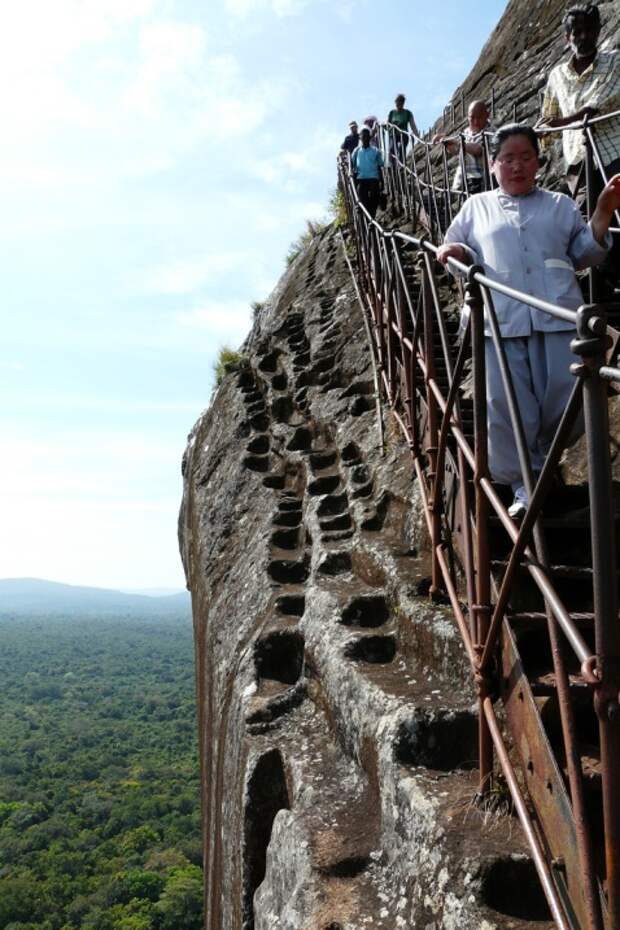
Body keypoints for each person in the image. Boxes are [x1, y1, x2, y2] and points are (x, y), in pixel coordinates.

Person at [436, 124, 620, 521]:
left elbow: (585, 253)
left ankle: (544, 464)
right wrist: (456, 251)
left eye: (525, 158)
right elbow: (456, 248)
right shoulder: (476, 206)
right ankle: (524, 486)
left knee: (565, 400)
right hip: (499, 322)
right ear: (494, 164)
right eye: (507, 158)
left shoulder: (559, 205)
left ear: (538, 161)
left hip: (556, 315)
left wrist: (603, 212)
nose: (516, 166)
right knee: (505, 407)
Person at [537, 3, 620, 289]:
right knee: (587, 215)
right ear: (567, 38)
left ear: (598, 31)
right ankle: (601, 281)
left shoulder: (614, 62)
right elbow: (548, 115)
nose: (583, 36)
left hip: (612, 150)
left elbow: (595, 106)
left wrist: (558, 123)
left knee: (617, 209)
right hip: (577, 156)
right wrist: (538, 139)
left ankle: (611, 278)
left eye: (588, 29)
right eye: (576, 31)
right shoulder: (556, 75)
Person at [433, 100, 495, 195]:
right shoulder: (466, 132)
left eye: (479, 117)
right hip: (464, 181)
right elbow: (456, 151)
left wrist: (455, 142)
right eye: (472, 117)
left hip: (483, 182)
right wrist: (445, 142)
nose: (475, 121)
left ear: (487, 115)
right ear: (467, 117)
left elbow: (478, 149)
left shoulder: (491, 132)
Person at [351, 125, 385, 219]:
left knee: (374, 198)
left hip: (374, 178)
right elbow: (352, 164)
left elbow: (379, 166)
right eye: (363, 136)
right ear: (360, 137)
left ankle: (372, 218)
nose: (365, 137)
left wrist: (382, 181)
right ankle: (367, 217)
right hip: (361, 178)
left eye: (367, 136)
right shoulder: (356, 151)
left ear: (370, 137)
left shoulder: (375, 150)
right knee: (362, 197)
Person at [387, 94, 419, 162]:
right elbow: (387, 125)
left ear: (403, 103)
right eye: (397, 102)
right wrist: (387, 126)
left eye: (400, 102)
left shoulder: (407, 113)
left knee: (402, 148)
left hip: (403, 134)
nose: (398, 104)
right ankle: (392, 166)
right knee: (392, 148)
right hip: (393, 134)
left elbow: (413, 125)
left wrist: (417, 137)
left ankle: (402, 165)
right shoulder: (392, 113)